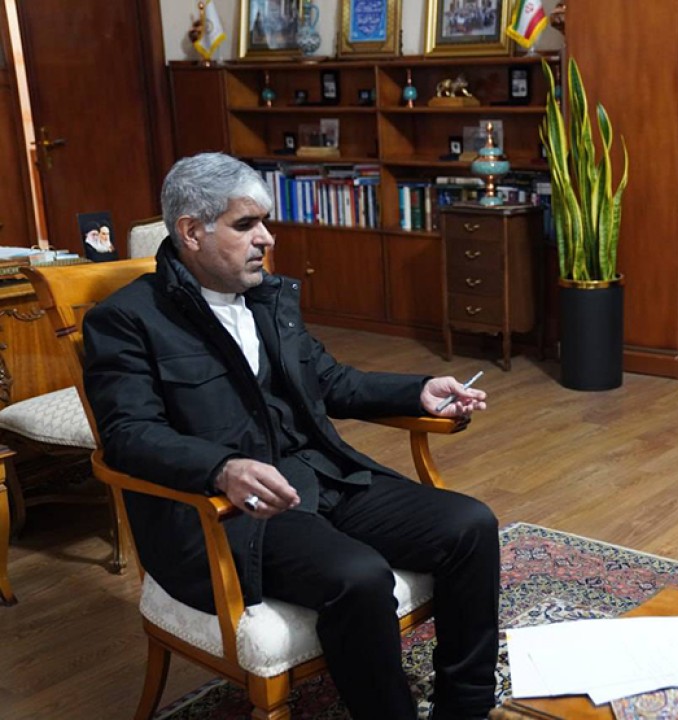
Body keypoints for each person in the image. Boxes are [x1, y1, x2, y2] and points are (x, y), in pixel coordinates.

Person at [82, 152, 499, 720]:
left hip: (318, 474)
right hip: (233, 514)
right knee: (359, 576)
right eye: (246, 224)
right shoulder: (127, 319)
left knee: (470, 525)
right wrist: (221, 468)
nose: (267, 238)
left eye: (265, 222)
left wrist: (417, 391)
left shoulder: (267, 299)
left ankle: (466, 707)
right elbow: (129, 436)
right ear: (191, 231)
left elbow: (328, 380)